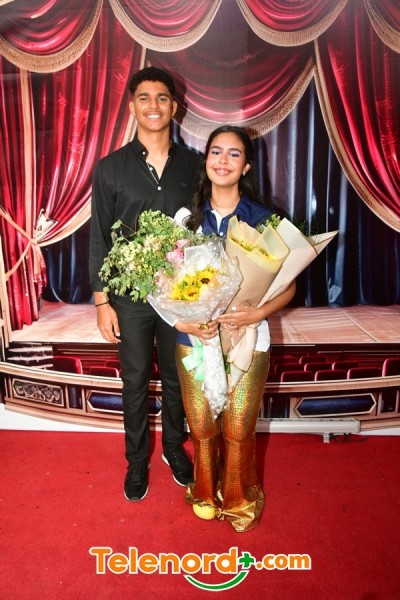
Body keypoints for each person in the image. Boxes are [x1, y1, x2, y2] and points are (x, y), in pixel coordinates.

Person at [174, 125, 296, 532]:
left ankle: (240, 500)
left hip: (249, 338)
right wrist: (182, 320)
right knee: (201, 424)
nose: (222, 161)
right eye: (215, 152)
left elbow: (289, 286)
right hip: (195, 338)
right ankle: (205, 492)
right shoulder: (184, 219)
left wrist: (256, 314)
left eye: (234, 154)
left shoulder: (265, 220)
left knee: (239, 427)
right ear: (205, 159)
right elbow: (161, 282)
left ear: (246, 166)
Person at [89, 66, 201, 502]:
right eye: (144, 98)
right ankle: (136, 462)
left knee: (176, 377)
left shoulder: (194, 166)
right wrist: (102, 302)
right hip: (130, 297)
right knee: (134, 381)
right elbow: (99, 236)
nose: (153, 105)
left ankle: (174, 448)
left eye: (162, 98)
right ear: (132, 106)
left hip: (179, 295)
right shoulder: (110, 168)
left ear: (174, 107)